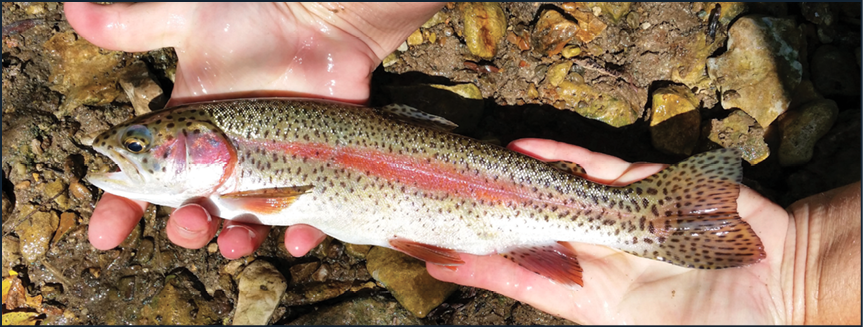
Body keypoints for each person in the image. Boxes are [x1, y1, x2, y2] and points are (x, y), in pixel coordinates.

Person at [65, 3, 860, 324]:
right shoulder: (240, 155)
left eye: (140, 151)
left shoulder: (247, 171)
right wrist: (802, 281)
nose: (125, 158)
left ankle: (647, 221)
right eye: (137, 150)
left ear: (208, 148)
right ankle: (654, 222)